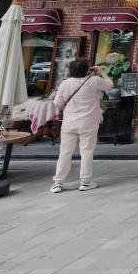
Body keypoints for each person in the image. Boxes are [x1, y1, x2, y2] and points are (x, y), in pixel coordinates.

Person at [50, 59, 113, 193]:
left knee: (65, 153)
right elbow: (110, 85)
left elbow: (57, 104)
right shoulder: (95, 81)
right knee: (87, 152)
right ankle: (85, 182)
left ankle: (58, 183)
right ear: (87, 69)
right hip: (89, 122)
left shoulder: (66, 83)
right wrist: (102, 72)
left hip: (69, 123)